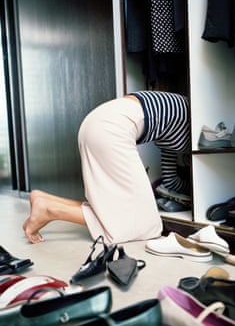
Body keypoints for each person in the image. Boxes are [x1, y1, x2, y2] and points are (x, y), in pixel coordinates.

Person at [23, 91, 191, 244]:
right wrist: (191, 191)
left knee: (114, 208)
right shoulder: (190, 125)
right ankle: (51, 210)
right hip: (112, 128)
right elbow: (172, 182)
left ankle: (44, 200)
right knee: (143, 224)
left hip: (98, 121)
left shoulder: (179, 114)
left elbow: (170, 180)